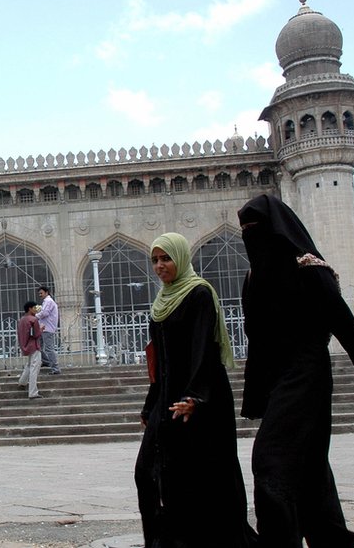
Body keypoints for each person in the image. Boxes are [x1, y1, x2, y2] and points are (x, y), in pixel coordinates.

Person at [238, 194, 354, 547]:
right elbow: (257, 342)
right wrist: (257, 397)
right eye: (244, 229)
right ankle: (331, 537)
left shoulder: (308, 268)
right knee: (308, 465)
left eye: (255, 227)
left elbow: (346, 328)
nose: (250, 235)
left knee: (270, 461)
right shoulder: (253, 279)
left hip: (308, 375)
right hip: (278, 379)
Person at [134, 233, 257, 547]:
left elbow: (205, 349)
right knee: (147, 472)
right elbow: (158, 360)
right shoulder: (162, 301)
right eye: (155, 260)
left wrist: (194, 398)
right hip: (167, 399)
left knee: (197, 477)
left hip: (199, 399)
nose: (160, 266)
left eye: (166, 258)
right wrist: (152, 404)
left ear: (181, 258)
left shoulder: (199, 293)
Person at [16, 301, 43, 399]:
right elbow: (36, 334)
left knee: (29, 365)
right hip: (34, 345)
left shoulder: (22, 320)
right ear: (30, 309)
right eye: (35, 308)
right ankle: (33, 392)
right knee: (34, 368)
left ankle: (22, 382)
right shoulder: (33, 319)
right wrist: (41, 329)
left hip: (25, 344)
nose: (36, 310)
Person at [36, 286, 61, 374]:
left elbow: (45, 313)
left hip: (47, 328)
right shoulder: (46, 302)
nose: (40, 295)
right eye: (39, 293)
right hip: (43, 328)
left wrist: (34, 316)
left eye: (41, 293)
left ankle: (55, 368)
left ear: (46, 292)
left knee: (49, 348)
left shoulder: (48, 301)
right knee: (38, 346)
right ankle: (46, 361)